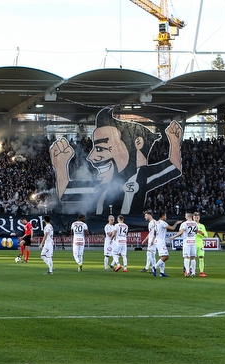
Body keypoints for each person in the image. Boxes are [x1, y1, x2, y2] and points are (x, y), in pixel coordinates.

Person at [50, 109, 183, 215]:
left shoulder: (141, 177)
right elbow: (66, 193)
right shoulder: (102, 183)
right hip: (105, 232)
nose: (91, 157)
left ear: (137, 143)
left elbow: (174, 168)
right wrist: (61, 166)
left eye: (101, 148)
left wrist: (175, 142)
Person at [151, 212, 173, 277]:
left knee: (162, 256)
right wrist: (176, 223)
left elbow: (155, 233)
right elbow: (172, 228)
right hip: (160, 241)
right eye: (165, 216)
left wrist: (153, 240)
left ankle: (162, 272)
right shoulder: (162, 222)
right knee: (166, 256)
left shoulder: (156, 223)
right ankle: (154, 267)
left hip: (157, 241)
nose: (166, 217)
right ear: (162, 216)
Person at [178, 211, 198, 277]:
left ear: (188, 216)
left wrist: (174, 236)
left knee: (186, 257)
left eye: (185, 215)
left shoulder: (184, 223)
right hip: (193, 241)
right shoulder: (195, 223)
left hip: (187, 241)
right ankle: (193, 272)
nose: (185, 216)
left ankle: (187, 271)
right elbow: (196, 232)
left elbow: (181, 232)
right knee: (193, 257)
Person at [194, 212, 208, 278]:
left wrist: (202, 233)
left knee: (201, 257)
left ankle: (201, 272)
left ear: (199, 218)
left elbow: (206, 236)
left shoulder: (202, 226)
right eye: (195, 217)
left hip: (200, 244)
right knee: (192, 258)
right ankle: (191, 270)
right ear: (193, 218)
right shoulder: (191, 225)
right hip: (193, 244)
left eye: (197, 217)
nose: (196, 219)